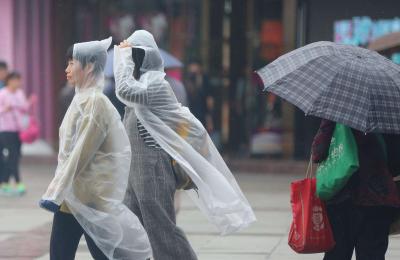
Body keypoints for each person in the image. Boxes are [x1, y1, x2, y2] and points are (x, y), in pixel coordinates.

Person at [114, 30, 256, 260]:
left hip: (153, 169)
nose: (129, 59)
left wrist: (122, 57)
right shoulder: (140, 86)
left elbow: (123, 90)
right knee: (131, 229)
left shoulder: (155, 86)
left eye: (133, 54)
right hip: (136, 170)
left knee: (161, 229)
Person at [40, 37, 151, 260]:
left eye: (72, 63)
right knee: (62, 254)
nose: (67, 69)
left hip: (90, 198)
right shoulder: (80, 99)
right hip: (73, 197)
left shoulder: (95, 102)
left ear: (89, 66)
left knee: (99, 253)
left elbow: (81, 152)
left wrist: (55, 191)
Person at [312, 119, 400, 260]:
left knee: (337, 254)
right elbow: (395, 164)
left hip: (342, 199)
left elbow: (318, 152)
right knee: (372, 255)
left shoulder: (337, 113)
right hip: (378, 199)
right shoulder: (388, 118)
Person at [0, 72, 33, 196]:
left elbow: (24, 108)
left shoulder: (20, 93)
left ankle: (4, 182)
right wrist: (5, 109)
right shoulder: (2, 93)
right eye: (14, 80)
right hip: (5, 129)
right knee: (12, 155)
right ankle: (19, 182)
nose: (17, 83)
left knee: (16, 155)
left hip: (18, 130)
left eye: (19, 80)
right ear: (9, 81)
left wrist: (29, 104)